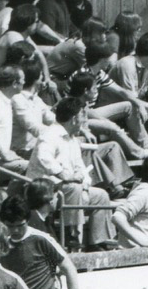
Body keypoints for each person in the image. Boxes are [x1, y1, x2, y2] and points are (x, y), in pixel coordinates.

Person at [28, 97, 116, 250]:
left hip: (68, 189)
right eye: (83, 116)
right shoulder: (50, 134)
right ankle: (71, 235)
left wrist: (86, 186)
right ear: (74, 119)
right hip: (43, 188)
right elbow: (44, 157)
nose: (85, 121)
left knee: (101, 195)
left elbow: (80, 167)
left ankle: (98, 241)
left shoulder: (72, 140)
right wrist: (65, 175)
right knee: (73, 188)